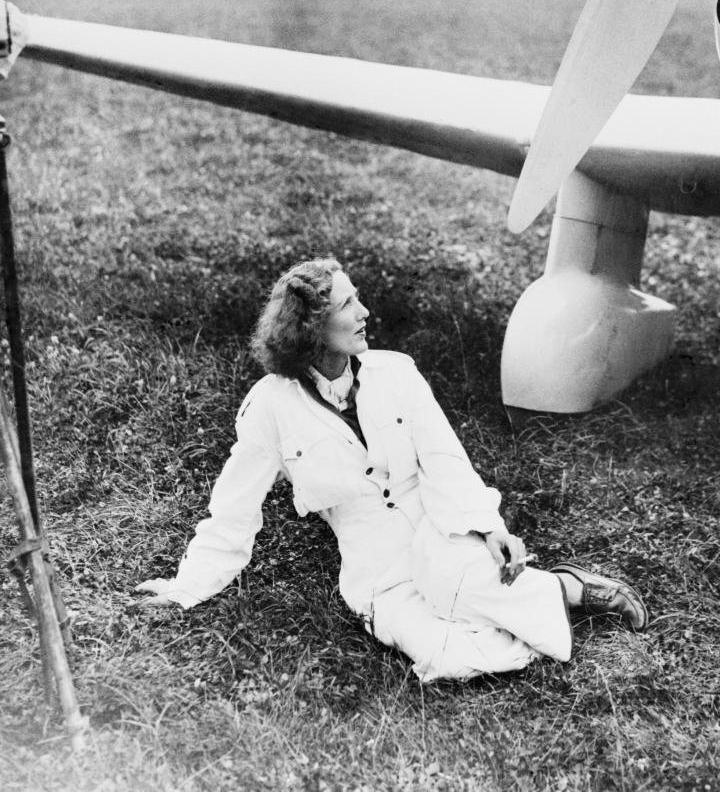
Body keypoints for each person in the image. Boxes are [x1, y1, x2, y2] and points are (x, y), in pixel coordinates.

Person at [136, 257, 648, 682]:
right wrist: (186, 589)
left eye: (357, 298)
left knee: (465, 584)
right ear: (311, 328)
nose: (364, 311)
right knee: (451, 658)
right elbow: (234, 510)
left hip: (438, 530)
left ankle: (571, 588)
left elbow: (446, 460)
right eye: (347, 305)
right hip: (377, 571)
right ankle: (542, 596)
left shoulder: (397, 372)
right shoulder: (269, 408)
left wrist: (489, 529)